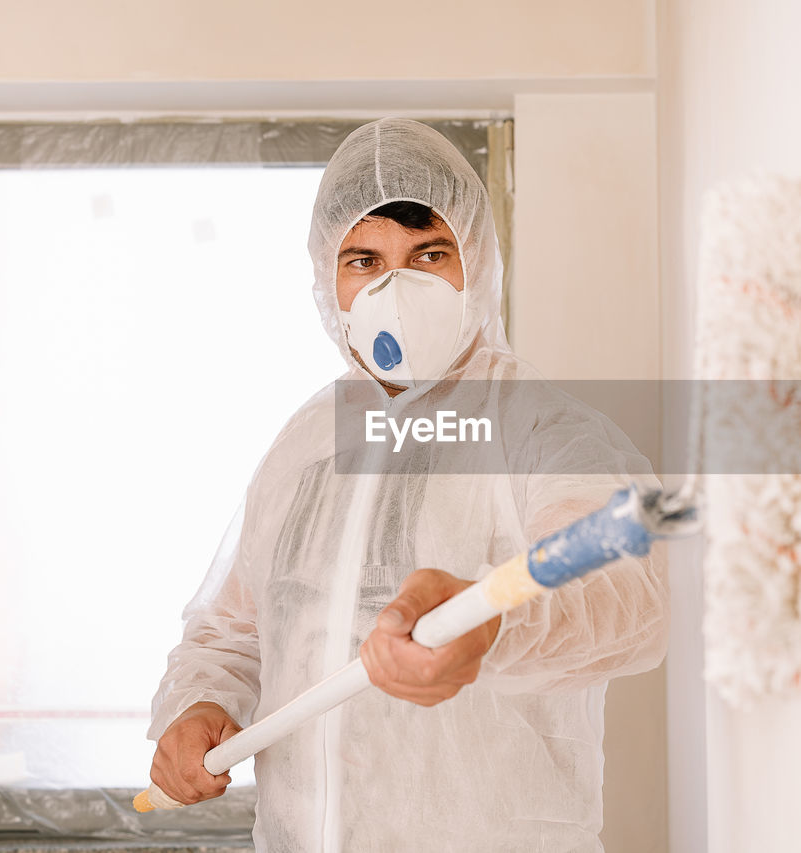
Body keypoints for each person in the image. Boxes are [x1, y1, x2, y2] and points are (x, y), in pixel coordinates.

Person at [146, 117, 669, 851]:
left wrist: (488, 619)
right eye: (363, 260)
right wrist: (199, 705)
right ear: (328, 279)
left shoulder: (540, 430)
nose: (395, 289)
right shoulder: (308, 444)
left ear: (478, 263)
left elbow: (624, 591)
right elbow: (235, 629)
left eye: (429, 254)